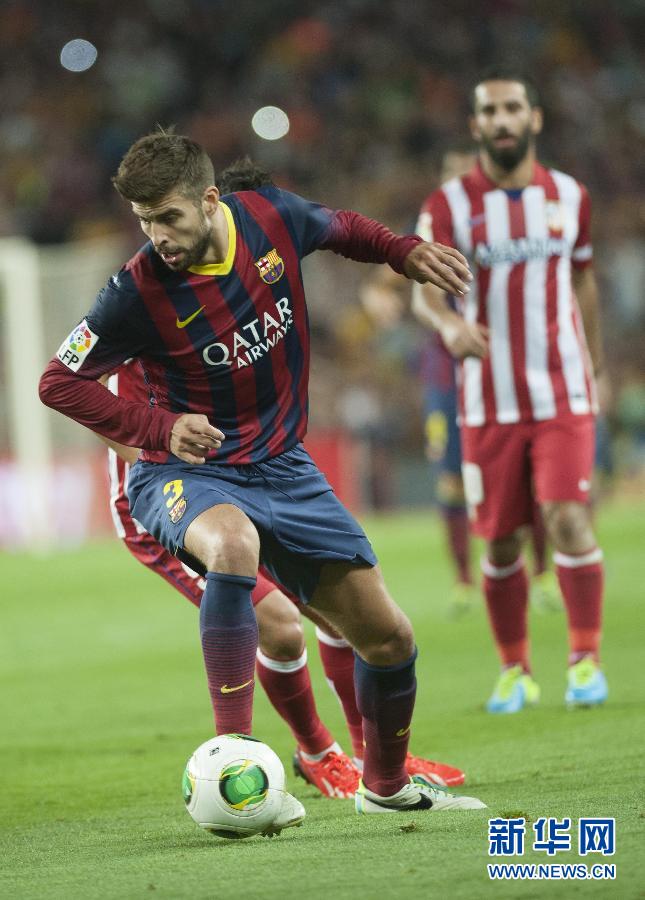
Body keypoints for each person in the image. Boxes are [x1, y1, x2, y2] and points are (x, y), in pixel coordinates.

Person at [40, 130, 484, 823]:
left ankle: (385, 784)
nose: (157, 235)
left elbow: (340, 226)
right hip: (184, 471)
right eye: (144, 221)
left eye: (168, 217)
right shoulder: (135, 291)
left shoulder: (270, 220)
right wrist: (159, 430)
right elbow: (58, 381)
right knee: (242, 562)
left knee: (387, 638)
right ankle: (235, 752)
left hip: (283, 466)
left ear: (211, 199)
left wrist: (403, 251)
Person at [105, 357, 465, 795]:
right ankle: (315, 753)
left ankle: (372, 752)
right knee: (279, 622)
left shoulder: (217, 310)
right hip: (170, 506)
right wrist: (165, 443)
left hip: (243, 480)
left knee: (339, 608)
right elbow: (97, 406)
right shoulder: (137, 314)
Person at [412, 69, 607, 714]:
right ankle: (514, 669)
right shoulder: (449, 204)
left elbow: (582, 282)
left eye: (512, 108)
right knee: (499, 541)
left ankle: (584, 660)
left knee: (568, 518)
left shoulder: (570, 196)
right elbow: (423, 290)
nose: (501, 120)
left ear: (534, 119)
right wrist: (449, 325)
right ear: (475, 126)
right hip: (486, 399)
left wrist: (596, 366)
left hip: (563, 391)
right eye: (489, 111)